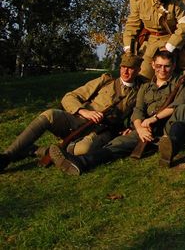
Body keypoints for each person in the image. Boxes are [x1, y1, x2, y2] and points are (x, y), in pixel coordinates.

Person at [51, 50, 185, 174]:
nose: (163, 70)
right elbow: (138, 110)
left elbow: (179, 104)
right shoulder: (145, 87)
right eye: (159, 65)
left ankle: (170, 147)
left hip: (169, 127)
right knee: (118, 144)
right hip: (146, 129)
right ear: (153, 65)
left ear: (173, 66)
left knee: (184, 109)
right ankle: (81, 162)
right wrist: (140, 129)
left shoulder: (181, 83)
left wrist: (153, 118)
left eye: (167, 66)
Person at [0, 54, 144, 172]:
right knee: (50, 115)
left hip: (101, 129)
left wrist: (131, 128)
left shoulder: (141, 89)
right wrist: (84, 112)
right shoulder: (106, 81)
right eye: (123, 67)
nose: (125, 72)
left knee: (82, 150)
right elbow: (69, 97)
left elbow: (139, 112)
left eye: (130, 68)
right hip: (79, 119)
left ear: (138, 70)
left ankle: (35, 150)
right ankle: (7, 156)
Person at [124, 0, 185, 79]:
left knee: (170, 76)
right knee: (142, 76)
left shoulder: (176, 3)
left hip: (170, 41)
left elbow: (184, 25)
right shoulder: (141, 3)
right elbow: (131, 26)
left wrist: (170, 46)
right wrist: (128, 48)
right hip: (149, 43)